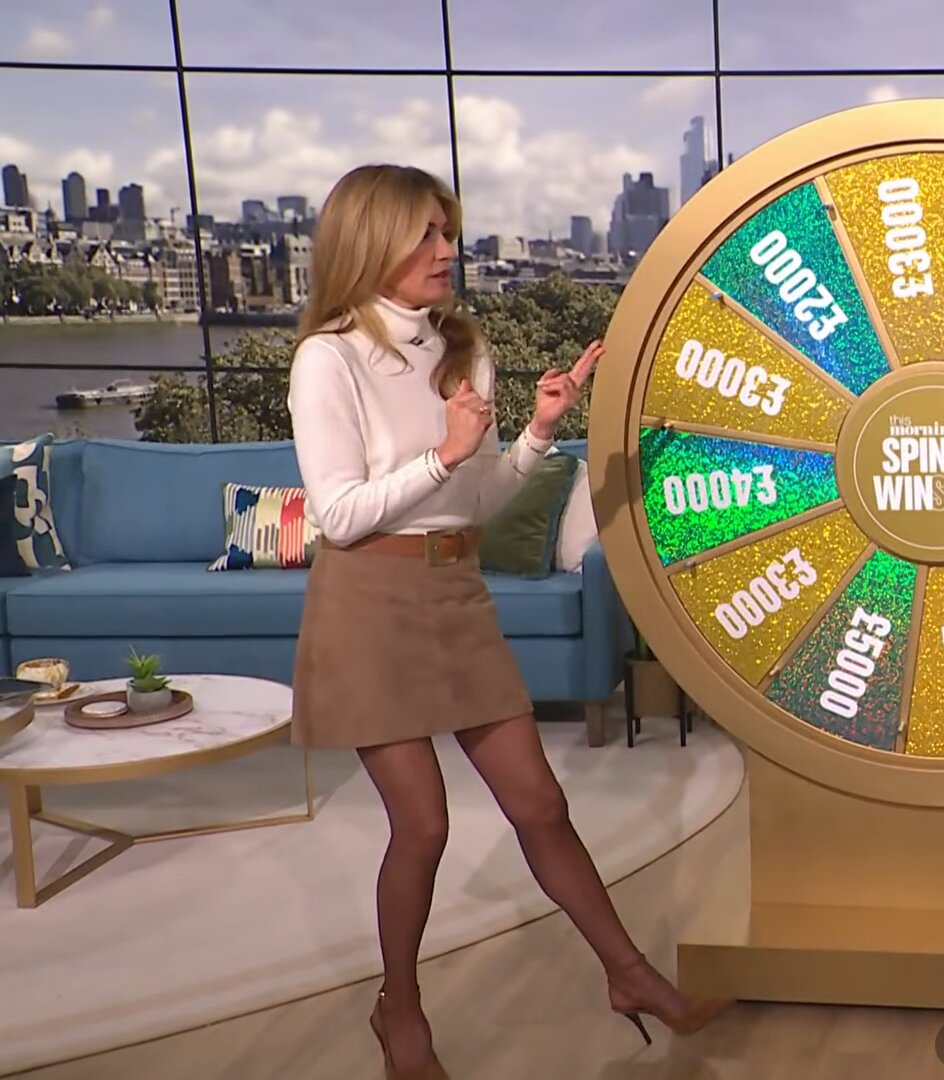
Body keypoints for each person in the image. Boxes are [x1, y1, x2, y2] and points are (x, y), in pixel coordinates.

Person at [287, 164, 728, 1079]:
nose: (447, 250)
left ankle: (629, 975)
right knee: (424, 827)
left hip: (457, 595)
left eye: (449, 232)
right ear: (370, 241)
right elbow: (339, 515)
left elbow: (478, 500)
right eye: (426, 234)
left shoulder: (464, 349)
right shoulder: (329, 358)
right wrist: (443, 455)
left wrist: (536, 434)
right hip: (368, 605)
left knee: (540, 804)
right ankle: (400, 1011)